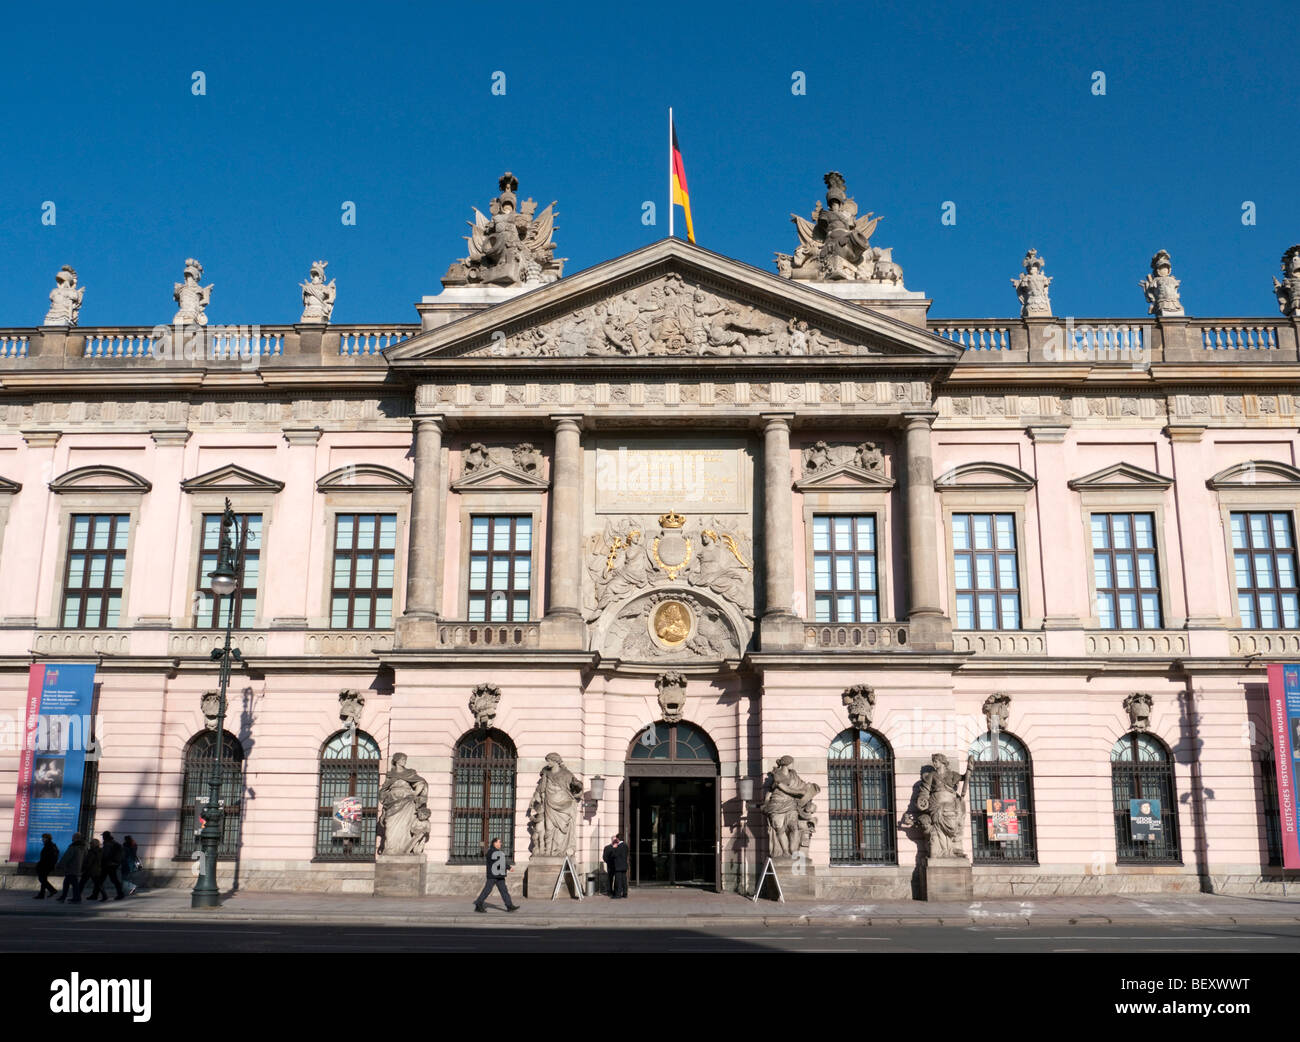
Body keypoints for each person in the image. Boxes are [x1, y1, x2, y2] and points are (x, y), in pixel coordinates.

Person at [473, 837, 520, 913]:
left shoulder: (496, 852)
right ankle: (478, 904)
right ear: (494, 843)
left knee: (504, 891)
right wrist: (508, 867)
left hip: (499, 875)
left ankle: (509, 906)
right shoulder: (491, 852)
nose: (500, 843)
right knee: (487, 890)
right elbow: (500, 861)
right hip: (493, 875)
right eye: (499, 842)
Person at [55, 833, 86, 903]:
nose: (72, 838)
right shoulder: (83, 847)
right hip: (77, 868)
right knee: (67, 882)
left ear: (75, 838)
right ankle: (64, 896)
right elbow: (85, 858)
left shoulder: (73, 847)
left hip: (71, 868)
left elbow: (67, 857)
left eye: (73, 837)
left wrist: (60, 865)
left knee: (74, 884)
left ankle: (76, 898)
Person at [98, 831, 125, 900]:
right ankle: (120, 894)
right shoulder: (114, 843)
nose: (102, 837)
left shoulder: (108, 844)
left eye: (103, 836)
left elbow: (106, 855)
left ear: (105, 836)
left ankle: (106, 896)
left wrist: (102, 861)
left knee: (100, 880)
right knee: (114, 880)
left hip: (108, 865)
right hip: (113, 864)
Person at [603, 833, 629, 898]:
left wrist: (614, 848)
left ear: (617, 839)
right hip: (623, 866)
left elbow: (615, 855)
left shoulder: (619, 846)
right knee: (624, 880)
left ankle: (618, 894)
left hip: (618, 867)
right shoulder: (626, 845)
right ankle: (625, 893)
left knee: (618, 881)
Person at [34, 834, 59, 898]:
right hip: (47, 865)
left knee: (42, 879)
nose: (42, 839)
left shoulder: (49, 846)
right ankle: (42, 894)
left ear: (47, 838)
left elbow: (47, 857)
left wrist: (40, 864)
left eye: (43, 838)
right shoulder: (50, 845)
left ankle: (52, 890)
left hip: (46, 866)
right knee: (43, 879)